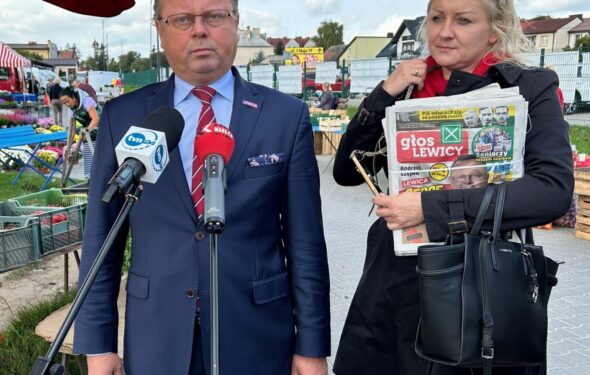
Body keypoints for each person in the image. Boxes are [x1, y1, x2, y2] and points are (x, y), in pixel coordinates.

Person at [73, 0, 331, 374]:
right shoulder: (124, 117)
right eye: (182, 19)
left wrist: (312, 346)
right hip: (156, 334)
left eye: (213, 15)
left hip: (257, 336)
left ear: (236, 23)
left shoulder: (285, 117)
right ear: (160, 28)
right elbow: (102, 239)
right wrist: (98, 346)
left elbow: (306, 243)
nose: (199, 29)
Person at [331, 0, 573, 374]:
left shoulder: (528, 86)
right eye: (436, 18)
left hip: (482, 293)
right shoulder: (409, 84)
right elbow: (347, 172)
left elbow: (552, 190)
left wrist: (430, 208)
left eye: (463, 20)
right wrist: (383, 95)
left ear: (494, 29)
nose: (444, 32)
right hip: (394, 292)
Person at [59, 87, 99, 180]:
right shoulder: (71, 110)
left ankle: (100, 179)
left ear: (73, 97)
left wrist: (86, 131)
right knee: (89, 160)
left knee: (99, 158)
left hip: (102, 131)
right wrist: (68, 147)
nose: (66, 104)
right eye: (64, 103)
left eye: (67, 101)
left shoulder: (86, 101)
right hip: (88, 134)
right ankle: (89, 180)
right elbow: (72, 130)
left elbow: (95, 119)